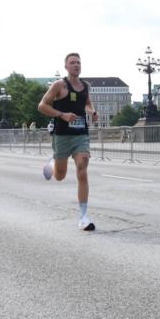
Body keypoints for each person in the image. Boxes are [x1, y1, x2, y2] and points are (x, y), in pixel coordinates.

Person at [38, 53, 98, 231]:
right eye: (72, 63)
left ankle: (84, 217)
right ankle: (52, 165)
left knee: (82, 167)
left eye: (78, 62)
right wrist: (62, 115)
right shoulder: (60, 85)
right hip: (62, 135)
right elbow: (41, 106)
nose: (76, 65)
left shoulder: (85, 86)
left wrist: (92, 112)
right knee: (60, 176)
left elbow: (87, 103)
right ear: (66, 67)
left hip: (81, 135)